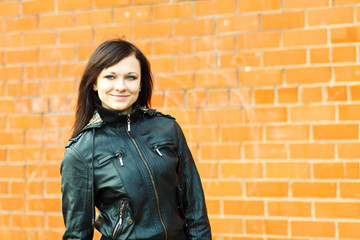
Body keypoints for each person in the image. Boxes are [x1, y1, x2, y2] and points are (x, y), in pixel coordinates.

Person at [60, 38, 212, 240]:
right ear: (95, 83)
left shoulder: (167, 128)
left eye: (130, 77)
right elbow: (77, 234)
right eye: (110, 77)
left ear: (141, 84)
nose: (121, 86)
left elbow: (194, 206)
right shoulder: (81, 150)